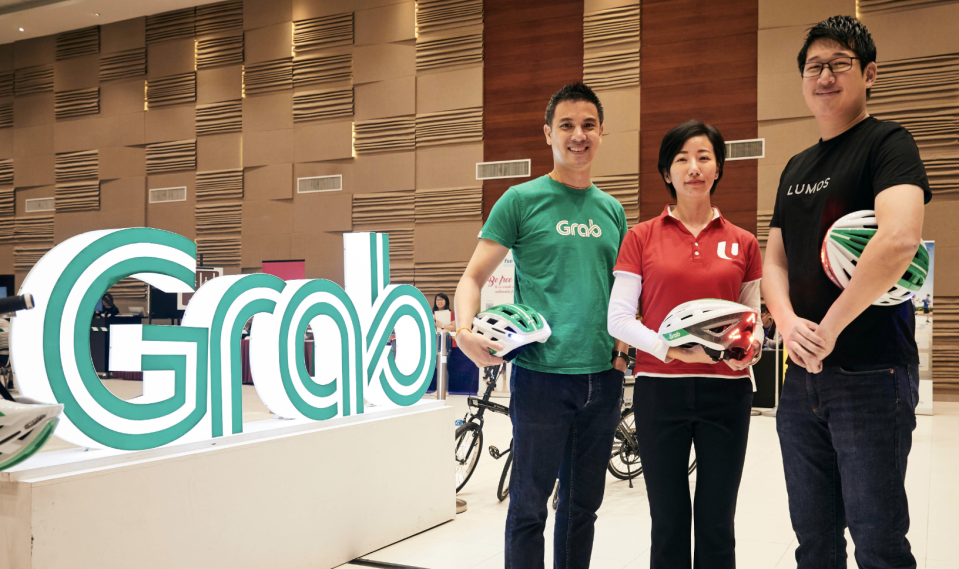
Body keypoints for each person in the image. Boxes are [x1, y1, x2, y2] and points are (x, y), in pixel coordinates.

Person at [762, 16, 931, 569]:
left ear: (870, 73)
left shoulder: (888, 143)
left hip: (872, 373)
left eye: (839, 64)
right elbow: (774, 260)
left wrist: (829, 327)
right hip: (800, 380)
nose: (825, 75)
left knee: (878, 540)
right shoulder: (795, 167)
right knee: (813, 542)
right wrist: (787, 324)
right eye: (814, 66)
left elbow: (901, 238)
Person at [453, 82, 629, 569]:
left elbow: (624, 296)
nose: (578, 135)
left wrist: (619, 358)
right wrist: (466, 333)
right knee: (528, 507)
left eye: (588, 125)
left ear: (600, 133)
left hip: (602, 379)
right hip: (541, 378)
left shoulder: (612, 210)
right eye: (567, 125)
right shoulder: (521, 199)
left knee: (582, 509)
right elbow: (471, 277)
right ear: (548, 132)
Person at [607, 120, 762, 569]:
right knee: (669, 521)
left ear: (717, 168)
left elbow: (753, 321)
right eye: (681, 159)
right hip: (661, 392)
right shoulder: (640, 237)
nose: (693, 167)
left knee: (717, 522)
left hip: (727, 393)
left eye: (704, 157)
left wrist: (751, 348)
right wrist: (670, 350)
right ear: (666, 172)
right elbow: (617, 317)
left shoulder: (744, 242)